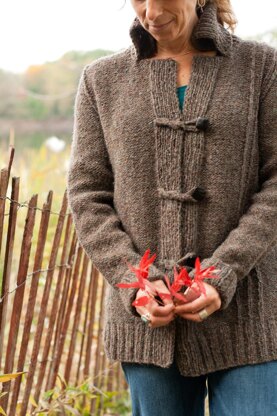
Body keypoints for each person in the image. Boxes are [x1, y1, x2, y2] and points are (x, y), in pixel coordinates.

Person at [66, 0, 277, 414]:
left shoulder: (261, 68)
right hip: (149, 325)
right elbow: (87, 192)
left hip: (248, 315)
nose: (150, 11)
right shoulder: (101, 80)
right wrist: (133, 279)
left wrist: (224, 271)